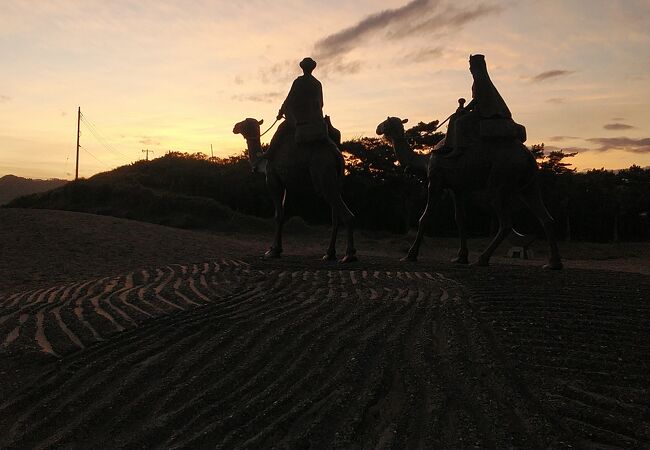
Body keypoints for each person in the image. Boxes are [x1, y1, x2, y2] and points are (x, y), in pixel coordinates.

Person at [262, 57, 329, 164]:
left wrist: (281, 112)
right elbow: (321, 103)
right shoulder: (317, 83)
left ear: (302, 68)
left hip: (301, 121)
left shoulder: (299, 82)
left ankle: (270, 152)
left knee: (281, 130)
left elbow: (289, 100)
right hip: (317, 121)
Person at [446, 54, 512, 158]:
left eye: (471, 65)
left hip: (484, 112)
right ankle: (449, 145)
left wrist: (466, 109)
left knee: (460, 122)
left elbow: (477, 100)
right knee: (454, 117)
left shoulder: (481, 80)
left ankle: (459, 148)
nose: (470, 68)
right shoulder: (479, 80)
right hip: (480, 110)